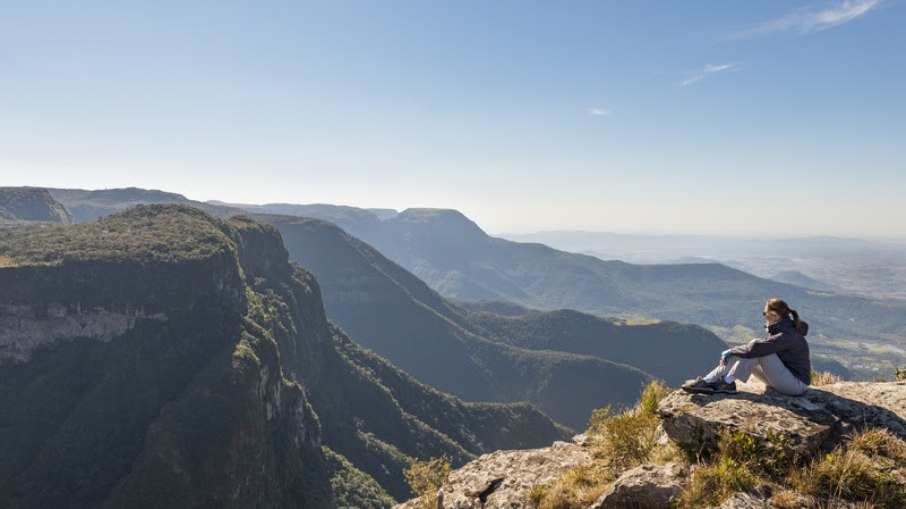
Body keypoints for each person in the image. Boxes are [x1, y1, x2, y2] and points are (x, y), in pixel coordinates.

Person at [682, 298, 811, 395]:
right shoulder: (781, 328)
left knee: (757, 350)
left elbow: (757, 349)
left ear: (773, 315)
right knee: (747, 352)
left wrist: (732, 350)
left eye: (764, 313)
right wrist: (734, 352)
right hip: (784, 378)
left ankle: (727, 382)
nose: (764, 316)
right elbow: (753, 349)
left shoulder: (787, 334)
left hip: (796, 385)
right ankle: (709, 380)